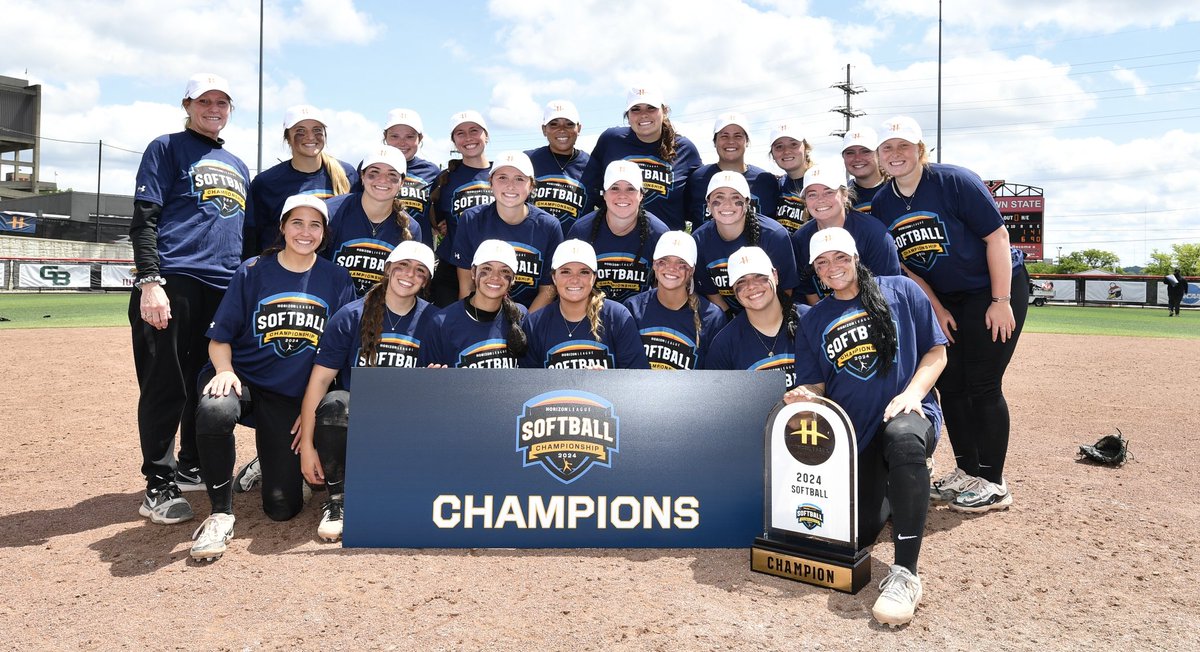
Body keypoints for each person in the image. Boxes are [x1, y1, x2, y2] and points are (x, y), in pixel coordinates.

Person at [786, 226, 948, 627]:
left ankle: (905, 575)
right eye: (822, 263)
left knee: (903, 440)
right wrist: (803, 395)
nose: (832, 267)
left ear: (856, 257)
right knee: (856, 535)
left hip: (907, 414)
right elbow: (816, 383)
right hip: (857, 439)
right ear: (816, 273)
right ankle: (903, 484)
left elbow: (936, 351)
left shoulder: (903, 291)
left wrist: (914, 393)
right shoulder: (814, 320)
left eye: (840, 257)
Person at [872, 115, 1029, 513]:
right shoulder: (883, 202)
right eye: (887, 148)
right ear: (879, 157)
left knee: (984, 384)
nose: (896, 155)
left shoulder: (954, 180)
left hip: (991, 290)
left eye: (904, 146)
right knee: (953, 386)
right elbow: (907, 266)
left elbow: (997, 237)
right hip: (946, 299)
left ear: (920, 150)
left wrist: (1000, 300)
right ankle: (967, 469)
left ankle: (994, 482)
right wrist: (936, 309)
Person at [190, 194, 356, 561]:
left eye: (315, 225)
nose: (305, 231)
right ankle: (219, 513)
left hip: (292, 397)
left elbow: (337, 355)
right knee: (215, 409)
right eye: (297, 222)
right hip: (246, 382)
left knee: (282, 508)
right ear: (282, 227)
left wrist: (310, 414)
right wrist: (224, 370)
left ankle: (268, 456)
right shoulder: (252, 270)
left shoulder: (336, 278)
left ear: (325, 233)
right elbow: (220, 340)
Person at [130, 73, 251, 525]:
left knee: (206, 381)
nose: (214, 108)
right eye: (205, 101)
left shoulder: (238, 164)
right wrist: (150, 280)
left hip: (223, 288)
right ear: (188, 104)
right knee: (166, 384)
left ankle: (191, 465)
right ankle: (158, 485)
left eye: (222, 102)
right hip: (174, 280)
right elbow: (144, 219)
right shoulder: (165, 147)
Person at [294, 240, 438, 543]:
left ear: (426, 281)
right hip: (358, 426)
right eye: (402, 266)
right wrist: (308, 446)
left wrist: (437, 382)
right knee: (335, 402)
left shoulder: (434, 320)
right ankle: (337, 501)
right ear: (388, 269)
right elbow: (319, 382)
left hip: (406, 426)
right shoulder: (350, 315)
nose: (409, 275)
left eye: (419, 271)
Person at [451, 151, 562, 311]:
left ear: (531, 185)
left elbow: (548, 290)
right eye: (502, 177)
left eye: (519, 179)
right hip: (482, 316)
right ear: (491, 182)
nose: (511, 185)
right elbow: (467, 287)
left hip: (530, 317)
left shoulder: (549, 226)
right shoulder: (471, 219)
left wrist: (524, 328)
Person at [580, 85, 701, 231]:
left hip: (666, 246)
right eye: (636, 109)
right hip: (617, 242)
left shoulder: (685, 149)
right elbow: (592, 191)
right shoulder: (611, 141)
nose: (644, 114)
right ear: (627, 115)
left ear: (664, 111)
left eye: (651, 107)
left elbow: (698, 204)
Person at [244, 104, 356, 258]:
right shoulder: (266, 182)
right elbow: (252, 239)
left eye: (317, 130)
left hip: (332, 274)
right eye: (300, 131)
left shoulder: (347, 174)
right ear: (287, 137)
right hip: (284, 276)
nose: (310, 137)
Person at [522, 239, 649, 369]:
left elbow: (638, 378)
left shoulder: (617, 317)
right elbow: (527, 384)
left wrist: (609, 382)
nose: (575, 279)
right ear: (554, 277)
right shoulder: (534, 324)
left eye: (584, 272)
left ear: (594, 277)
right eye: (566, 272)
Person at [790, 164, 900, 304]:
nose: (820, 199)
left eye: (828, 192)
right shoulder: (800, 239)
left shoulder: (874, 233)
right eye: (812, 194)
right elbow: (808, 290)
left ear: (845, 195)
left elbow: (889, 290)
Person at [693, 171, 799, 316]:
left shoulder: (774, 235)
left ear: (747, 202)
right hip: (729, 316)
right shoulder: (698, 240)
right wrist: (731, 318)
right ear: (708, 204)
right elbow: (709, 290)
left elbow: (785, 288)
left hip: (771, 311)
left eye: (735, 197)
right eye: (719, 198)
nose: (727, 205)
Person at [567, 160, 669, 304]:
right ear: (604, 194)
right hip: (592, 314)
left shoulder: (659, 234)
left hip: (641, 316)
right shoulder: (581, 231)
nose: (622, 195)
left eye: (630, 189)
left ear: (641, 195)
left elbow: (666, 287)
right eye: (614, 188)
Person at [704, 246, 807, 388]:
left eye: (759, 276)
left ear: (775, 276)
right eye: (741, 281)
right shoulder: (724, 345)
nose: (751, 286)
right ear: (732, 289)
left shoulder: (810, 320)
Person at [324, 145, 420, 296]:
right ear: (362, 177)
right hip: (333, 309)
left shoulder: (411, 228)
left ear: (402, 182)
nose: (382, 180)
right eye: (374, 173)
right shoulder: (331, 212)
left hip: (380, 313)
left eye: (392, 175)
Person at [623, 231, 727, 369]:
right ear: (654, 264)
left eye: (681, 263)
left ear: (692, 270)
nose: (671, 268)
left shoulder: (712, 317)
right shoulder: (632, 308)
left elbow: (715, 377)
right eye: (663, 261)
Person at [420, 239, 527, 368]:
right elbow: (426, 382)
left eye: (504, 271)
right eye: (487, 268)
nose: (495, 276)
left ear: (513, 279)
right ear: (473, 272)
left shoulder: (521, 317)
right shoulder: (442, 323)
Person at [429, 110, 494, 307]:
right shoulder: (444, 179)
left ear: (486, 135)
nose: (468, 138)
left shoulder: (503, 172)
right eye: (460, 133)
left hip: (495, 265)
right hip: (452, 268)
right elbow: (437, 221)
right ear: (453, 140)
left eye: (474, 130)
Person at [686, 113, 779, 226]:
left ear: (747, 141)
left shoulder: (765, 180)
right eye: (724, 136)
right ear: (715, 142)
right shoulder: (698, 178)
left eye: (738, 136)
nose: (731, 141)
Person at [372, 108, 442, 250]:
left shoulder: (432, 172)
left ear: (420, 139)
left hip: (418, 250)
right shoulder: (371, 166)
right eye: (395, 136)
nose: (402, 143)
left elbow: (440, 212)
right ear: (385, 137)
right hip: (378, 247)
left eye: (410, 137)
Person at [526, 100, 591, 233]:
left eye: (569, 124)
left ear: (579, 129)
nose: (562, 130)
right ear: (544, 129)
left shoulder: (592, 165)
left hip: (575, 248)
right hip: (534, 245)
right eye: (554, 124)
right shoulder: (526, 161)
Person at [767, 122, 813, 233]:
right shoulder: (776, 185)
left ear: (805, 148)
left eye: (793, 144)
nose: (786, 151)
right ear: (772, 154)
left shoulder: (820, 181)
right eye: (779, 147)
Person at [841, 126, 887, 215]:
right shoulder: (842, 197)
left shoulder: (898, 188)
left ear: (878, 154)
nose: (857, 158)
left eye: (865, 151)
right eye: (850, 153)